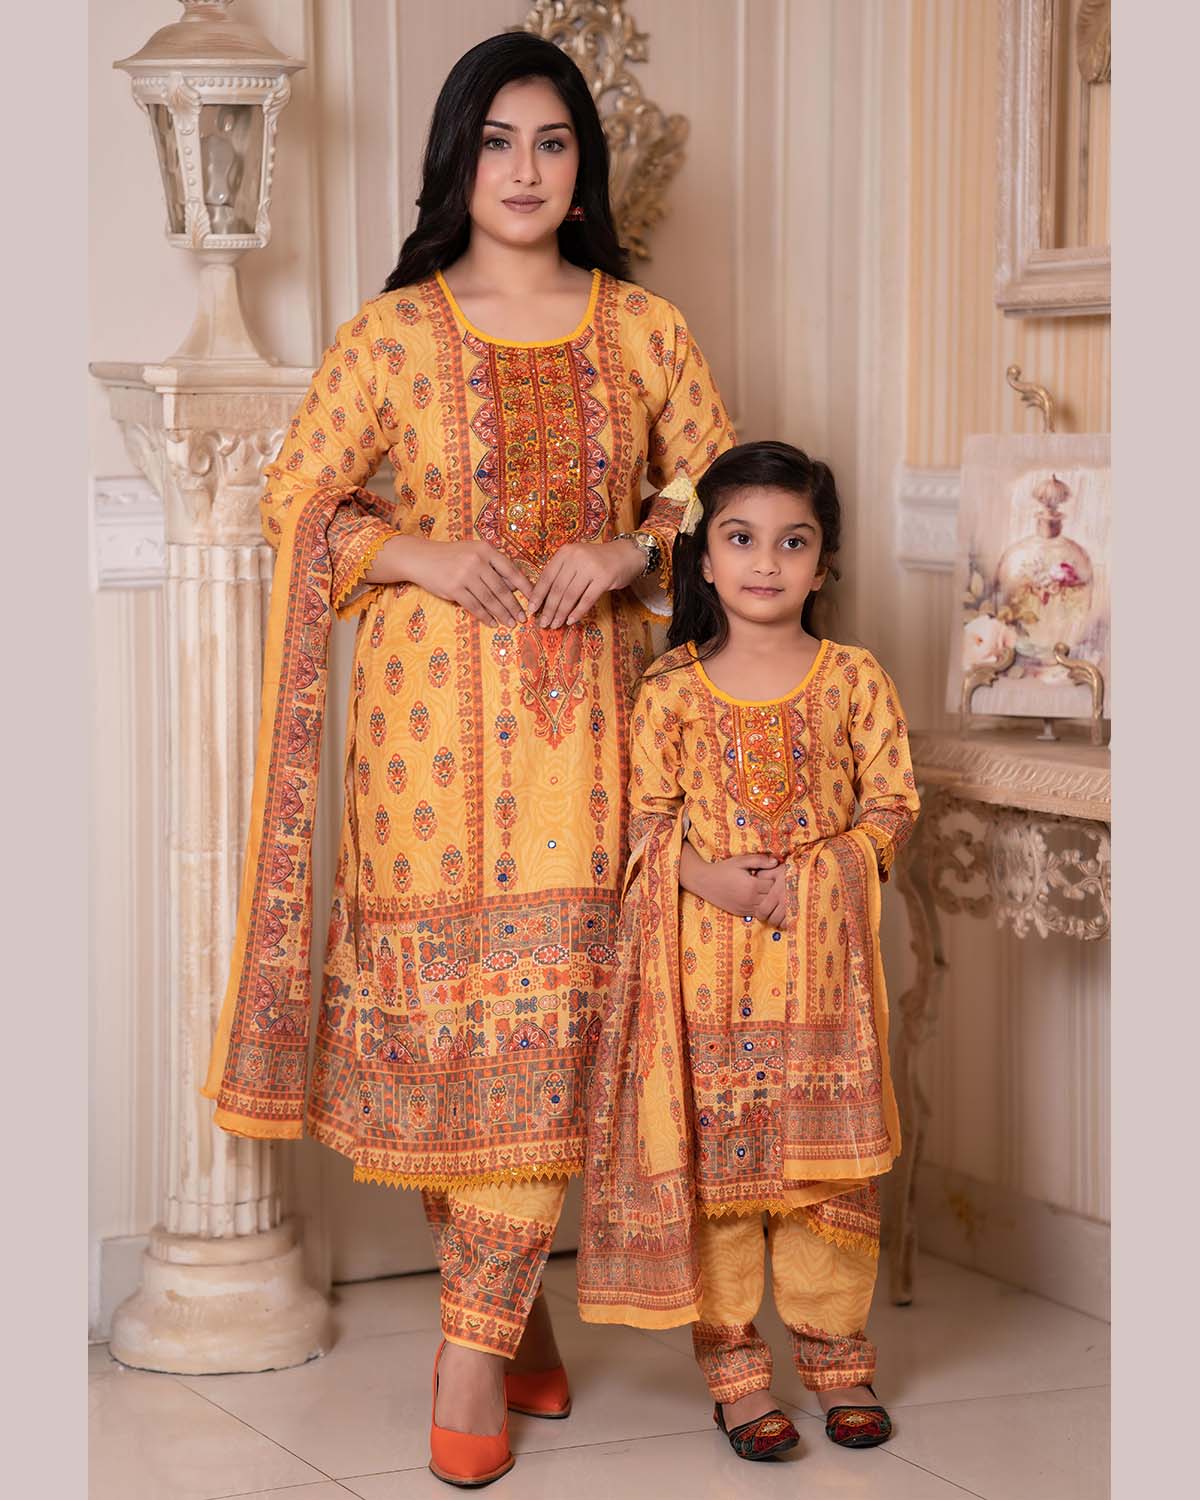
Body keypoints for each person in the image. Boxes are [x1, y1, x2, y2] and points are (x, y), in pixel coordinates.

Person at [201, 30, 734, 1489]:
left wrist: (630, 546)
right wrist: (417, 551)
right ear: (457, 160)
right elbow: (297, 501)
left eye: (552, 142)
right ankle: (512, 1316)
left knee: (553, 1029)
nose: (525, 169)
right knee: (451, 1041)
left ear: (585, 167)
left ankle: (468, 1352)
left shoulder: (644, 330)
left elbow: (719, 487)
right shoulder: (392, 335)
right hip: (423, 751)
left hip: (592, 743)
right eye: (497, 142)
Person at [577, 441, 919, 1461]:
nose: (766, 561)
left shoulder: (854, 679)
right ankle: (735, 1376)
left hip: (822, 982)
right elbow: (643, 824)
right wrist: (708, 878)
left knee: (827, 1178)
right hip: (707, 983)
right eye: (740, 538)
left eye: (792, 541)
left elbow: (893, 805)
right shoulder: (671, 688)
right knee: (721, 1182)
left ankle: (838, 1360)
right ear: (703, 558)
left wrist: (825, 871)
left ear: (824, 562)